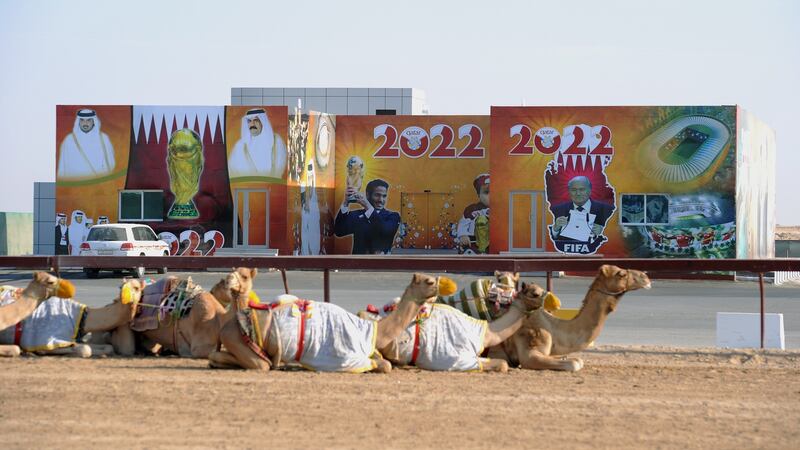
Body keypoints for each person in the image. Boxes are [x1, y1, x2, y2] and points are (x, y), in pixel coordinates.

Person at [334, 179, 400, 254]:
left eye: (384, 196)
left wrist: (366, 205)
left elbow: (384, 230)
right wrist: (346, 202)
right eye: (377, 195)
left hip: (381, 264)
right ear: (368, 195)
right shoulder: (357, 215)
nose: (381, 200)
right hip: (358, 264)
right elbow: (339, 231)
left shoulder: (393, 216)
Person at [57, 109, 116, 180]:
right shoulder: (69, 140)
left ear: (94, 121)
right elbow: (62, 167)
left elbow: (110, 164)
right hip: (74, 184)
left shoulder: (103, 139)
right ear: (78, 122)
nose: (85, 123)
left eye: (88, 120)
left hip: (98, 183)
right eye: (82, 120)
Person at [228, 108, 287, 179]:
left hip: (272, 187)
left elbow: (280, 170)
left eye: (256, 120)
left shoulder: (277, 142)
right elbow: (232, 171)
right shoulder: (239, 146)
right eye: (249, 121)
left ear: (263, 122)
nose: (252, 124)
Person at [456, 173, 490, 254]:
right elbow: (463, 223)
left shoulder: (500, 210)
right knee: (469, 252)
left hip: (491, 242)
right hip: (473, 242)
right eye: (486, 192)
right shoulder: (471, 209)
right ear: (479, 194)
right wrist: (463, 235)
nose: (491, 196)